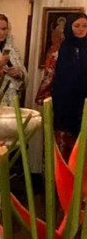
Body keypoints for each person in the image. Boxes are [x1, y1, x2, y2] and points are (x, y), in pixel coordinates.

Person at [50, 13, 87, 158]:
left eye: (85, 26)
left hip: (85, 102)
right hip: (64, 103)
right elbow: (52, 76)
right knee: (65, 148)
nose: (81, 29)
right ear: (69, 27)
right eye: (77, 26)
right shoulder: (60, 49)